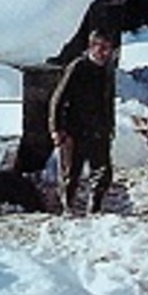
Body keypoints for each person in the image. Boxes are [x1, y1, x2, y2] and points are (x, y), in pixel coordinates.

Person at [49, 29, 117, 215]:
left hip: (99, 129)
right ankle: (67, 208)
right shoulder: (78, 67)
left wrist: (111, 125)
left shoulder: (108, 69)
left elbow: (108, 100)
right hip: (76, 129)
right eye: (101, 48)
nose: (105, 53)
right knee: (72, 173)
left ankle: (94, 209)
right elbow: (58, 99)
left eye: (108, 49)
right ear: (91, 47)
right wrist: (56, 128)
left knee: (103, 173)